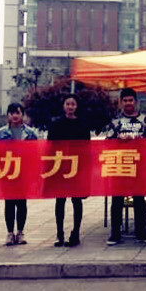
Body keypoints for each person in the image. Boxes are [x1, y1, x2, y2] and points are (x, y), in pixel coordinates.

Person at [106, 88, 146, 245]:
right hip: (120, 165)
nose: (128, 103)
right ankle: (115, 233)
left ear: (135, 102)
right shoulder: (115, 121)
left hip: (139, 166)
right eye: (125, 100)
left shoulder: (144, 119)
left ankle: (141, 231)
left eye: (130, 100)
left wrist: (139, 140)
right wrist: (119, 140)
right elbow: (107, 143)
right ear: (121, 102)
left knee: (139, 199)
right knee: (117, 200)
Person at [48, 94, 91, 247]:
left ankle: (76, 233)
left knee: (76, 200)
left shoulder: (83, 123)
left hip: (77, 167)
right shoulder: (56, 124)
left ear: (76, 106)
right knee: (60, 200)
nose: (70, 106)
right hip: (60, 166)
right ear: (63, 106)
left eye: (73, 104)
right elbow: (50, 145)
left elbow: (87, 146)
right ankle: (59, 234)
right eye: (68, 103)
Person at [0, 102, 37, 246]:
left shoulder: (30, 133)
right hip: (7, 172)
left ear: (22, 115)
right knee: (9, 203)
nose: (15, 116)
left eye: (18, 112)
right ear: (8, 115)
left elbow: (35, 152)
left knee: (22, 203)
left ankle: (20, 232)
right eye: (12, 113)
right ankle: (9, 233)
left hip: (23, 172)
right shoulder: (0, 133)